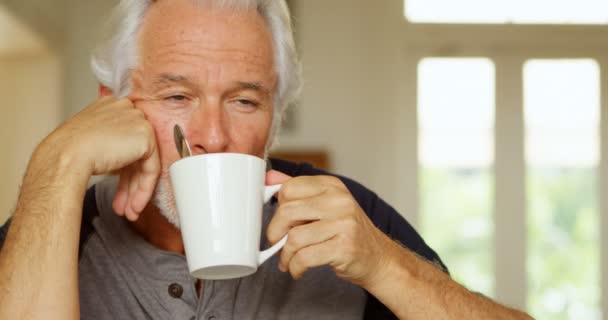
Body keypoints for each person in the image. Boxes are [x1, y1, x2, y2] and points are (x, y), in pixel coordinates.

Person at [0, 0, 533, 319]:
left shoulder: (347, 217)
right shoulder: (49, 228)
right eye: (177, 97)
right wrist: (59, 159)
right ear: (111, 106)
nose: (213, 135)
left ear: (275, 120)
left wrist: (386, 266)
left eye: (244, 100)